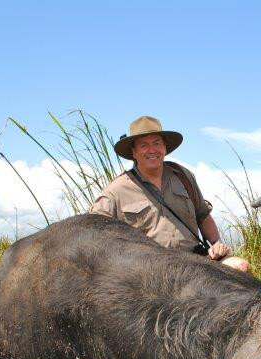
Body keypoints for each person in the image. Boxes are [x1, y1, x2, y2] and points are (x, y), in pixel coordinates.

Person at [90, 116, 250, 272]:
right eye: (144, 145)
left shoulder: (183, 175)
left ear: (165, 148)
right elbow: (92, 232)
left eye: (156, 143)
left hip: (195, 262)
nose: (152, 150)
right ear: (134, 152)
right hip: (148, 272)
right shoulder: (115, 191)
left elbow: (203, 215)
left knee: (240, 266)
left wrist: (216, 243)